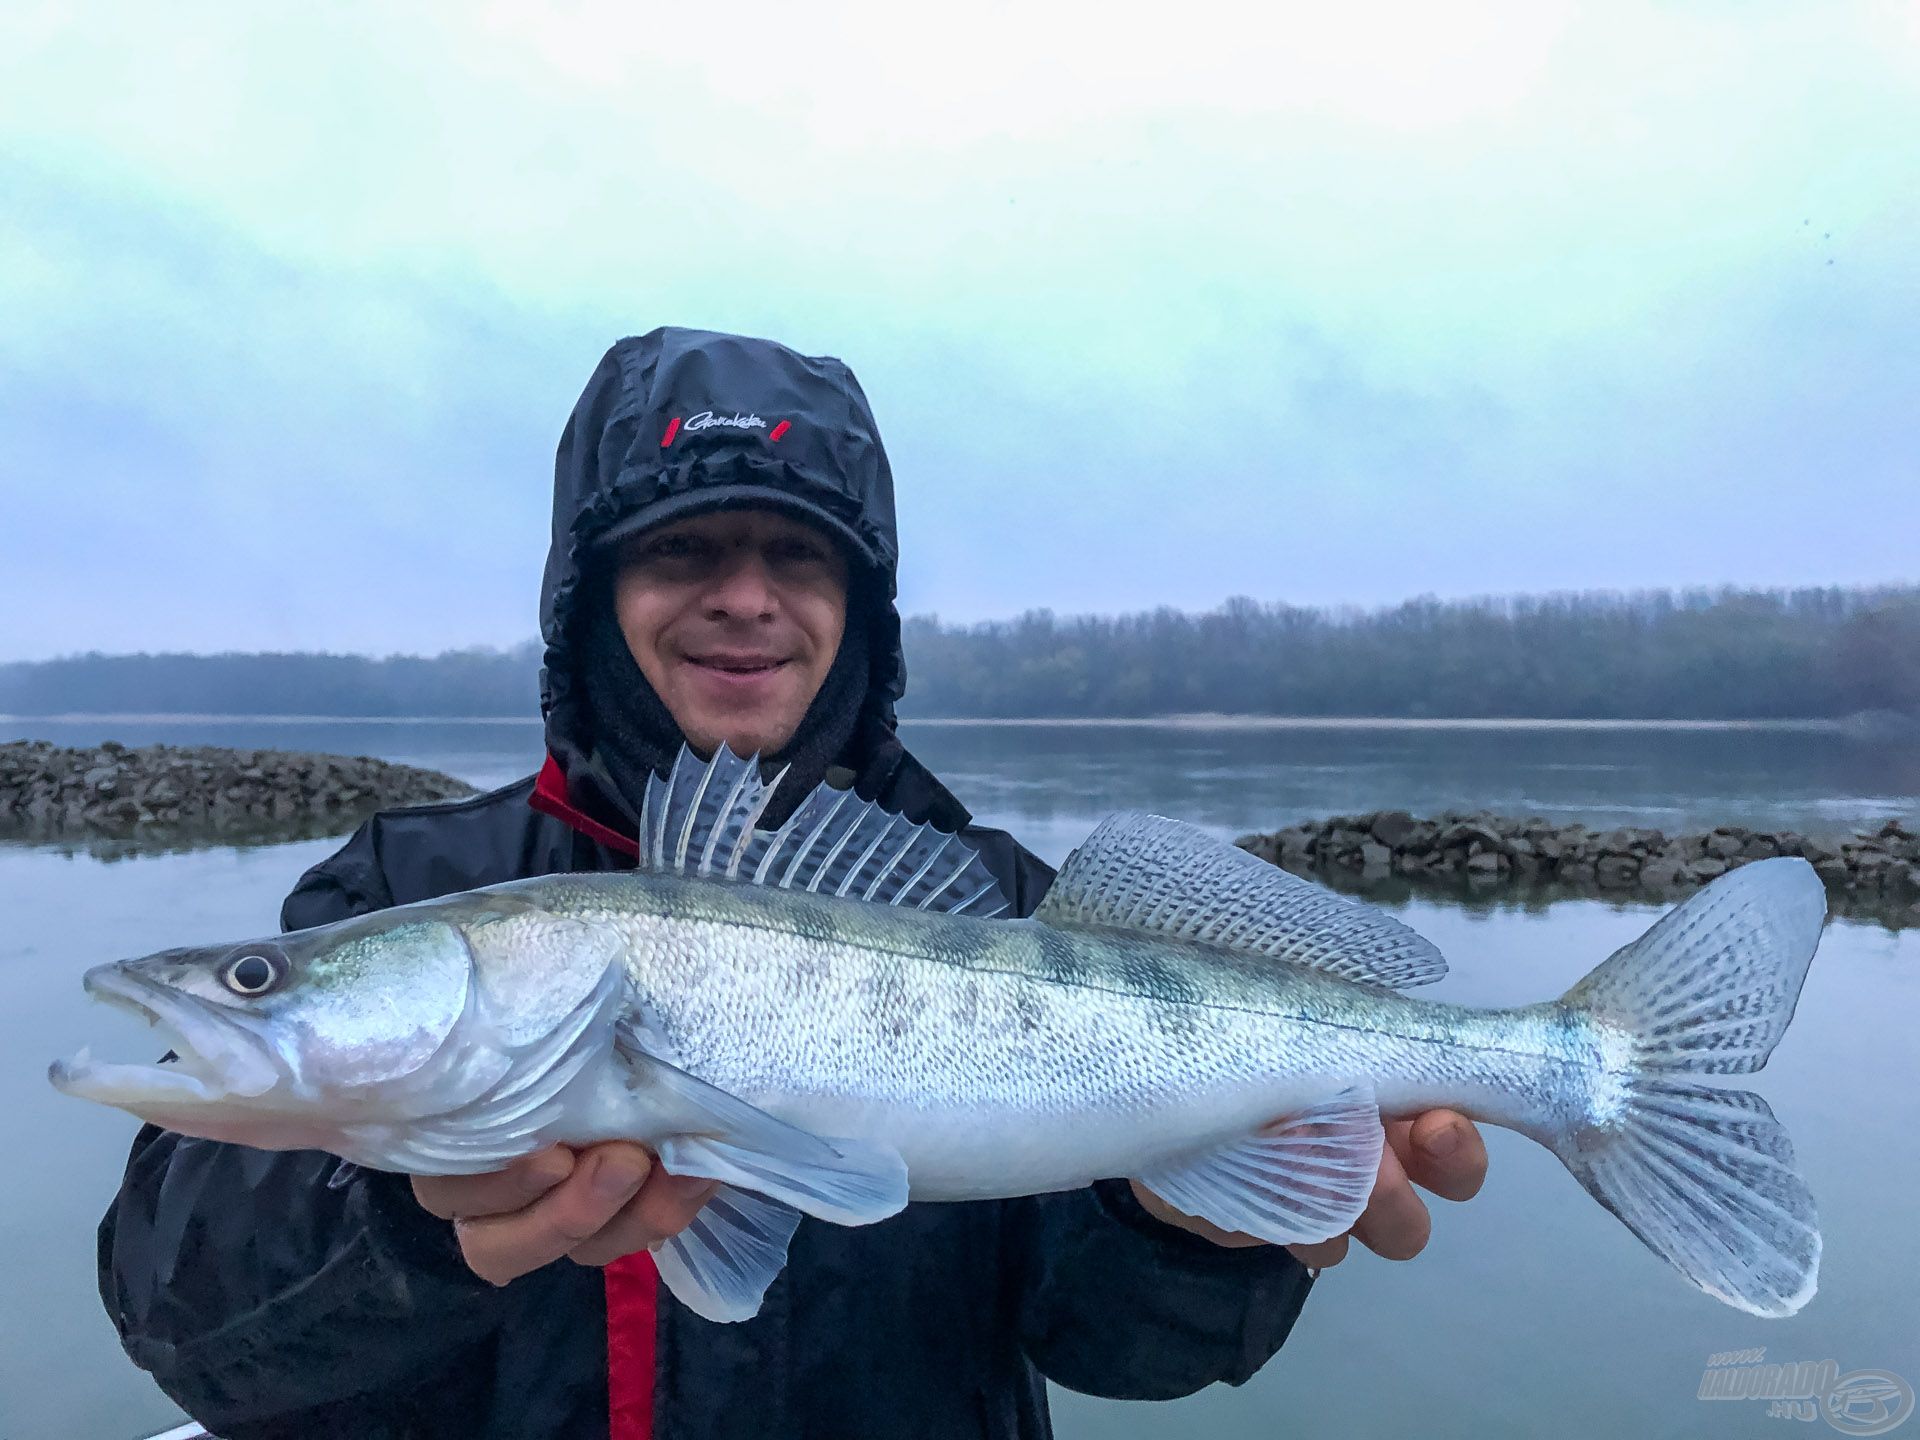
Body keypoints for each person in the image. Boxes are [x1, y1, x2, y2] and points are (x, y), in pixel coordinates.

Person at [98, 327, 1488, 1439]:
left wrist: (1193, 1230)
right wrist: (405, 1220)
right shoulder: (404, 883)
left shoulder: (999, 905)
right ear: (590, 601)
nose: (747, 599)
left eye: (798, 556)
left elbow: (1118, 1353)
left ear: (859, 612)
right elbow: (185, 1327)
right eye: (684, 550)